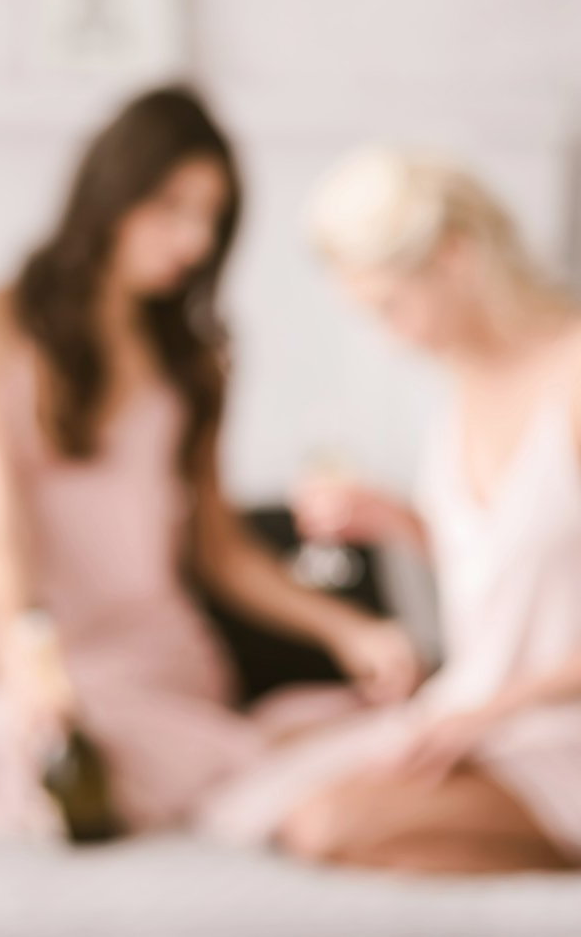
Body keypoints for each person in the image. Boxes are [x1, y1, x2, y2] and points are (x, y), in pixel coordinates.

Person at [0, 88, 420, 834]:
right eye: (171, 207)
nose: (193, 241)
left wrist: (347, 629)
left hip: (155, 660)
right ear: (112, 191)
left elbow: (219, 547)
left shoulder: (196, 363)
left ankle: (250, 759)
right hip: (18, 655)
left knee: (89, 760)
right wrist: (29, 657)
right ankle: (256, 759)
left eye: (212, 220)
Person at [201, 149, 581, 874]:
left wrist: (491, 711)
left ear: (454, 258)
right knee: (253, 787)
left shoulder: (572, 377)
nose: (390, 336)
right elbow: (517, 570)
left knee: (327, 826)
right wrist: (398, 522)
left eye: (390, 306)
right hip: (483, 712)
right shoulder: (462, 385)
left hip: (552, 723)